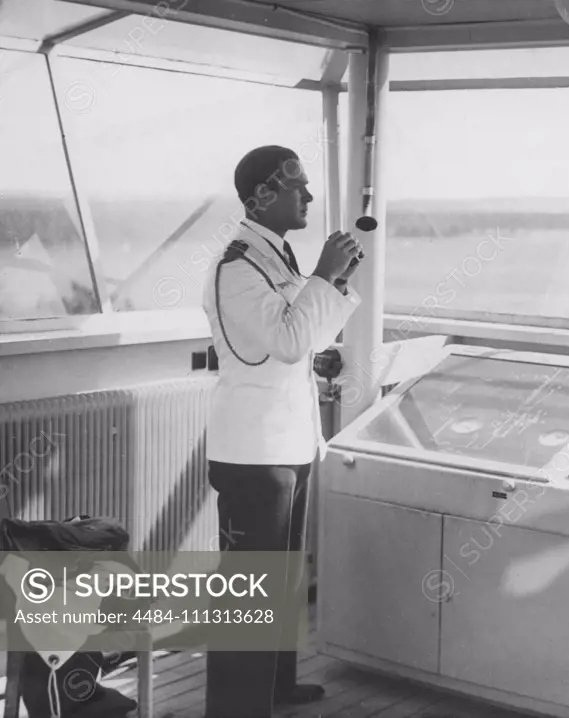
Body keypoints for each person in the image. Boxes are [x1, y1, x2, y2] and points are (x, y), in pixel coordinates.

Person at [200, 145, 362, 717]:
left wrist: (332, 283)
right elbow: (292, 341)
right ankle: (235, 707)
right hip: (252, 453)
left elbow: (304, 337)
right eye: (298, 189)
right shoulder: (237, 266)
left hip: (286, 443)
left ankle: (274, 685)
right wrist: (323, 276)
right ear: (260, 197)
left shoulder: (277, 259)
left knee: (284, 577)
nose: (309, 198)